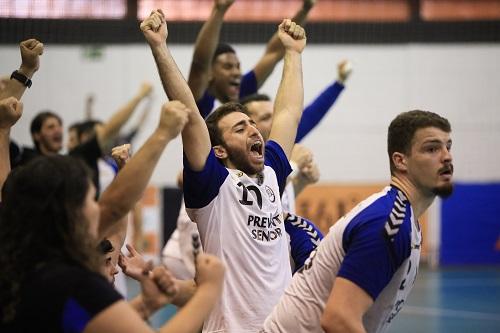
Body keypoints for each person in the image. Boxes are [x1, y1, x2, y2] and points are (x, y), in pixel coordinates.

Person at [141, 10, 306, 332]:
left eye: (253, 125)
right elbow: (189, 111)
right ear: (219, 150)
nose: (254, 131)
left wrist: (293, 54)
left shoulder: (272, 171)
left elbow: (288, 112)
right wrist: (160, 47)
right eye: (240, 129)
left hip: (283, 326)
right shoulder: (211, 185)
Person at [0, 101, 225, 333]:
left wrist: (145, 304)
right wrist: (208, 291)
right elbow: (116, 208)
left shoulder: (22, 268)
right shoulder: (72, 283)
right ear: (68, 212)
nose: (98, 209)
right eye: (90, 201)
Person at [262, 110, 454, 333]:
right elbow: (339, 319)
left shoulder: (401, 219)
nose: (446, 156)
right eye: (432, 148)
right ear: (400, 161)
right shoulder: (389, 223)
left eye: (448, 146)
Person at [188, 0, 316, 117]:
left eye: (238, 66)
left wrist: (305, 9)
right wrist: (219, 10)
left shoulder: (243, 91)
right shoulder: (201, 101)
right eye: (228, 67)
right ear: (209, 74)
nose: (236, 72)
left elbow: (274, 53)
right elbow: (199, 65)